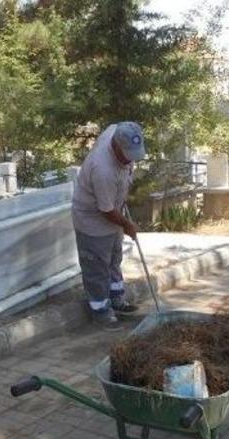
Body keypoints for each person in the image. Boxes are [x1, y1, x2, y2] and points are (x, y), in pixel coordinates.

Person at [71, 122, 146, 330]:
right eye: (127, 154)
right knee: (97, 267)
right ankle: (101, 311)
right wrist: (128, 225)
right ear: (115, 147)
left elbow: (117, 126)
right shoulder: (102, 169)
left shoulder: (117, 131)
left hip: (114, 214)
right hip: (92, 221)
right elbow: (106, 210)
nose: (131, 159)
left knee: (114, 259)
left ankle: (117, 300)